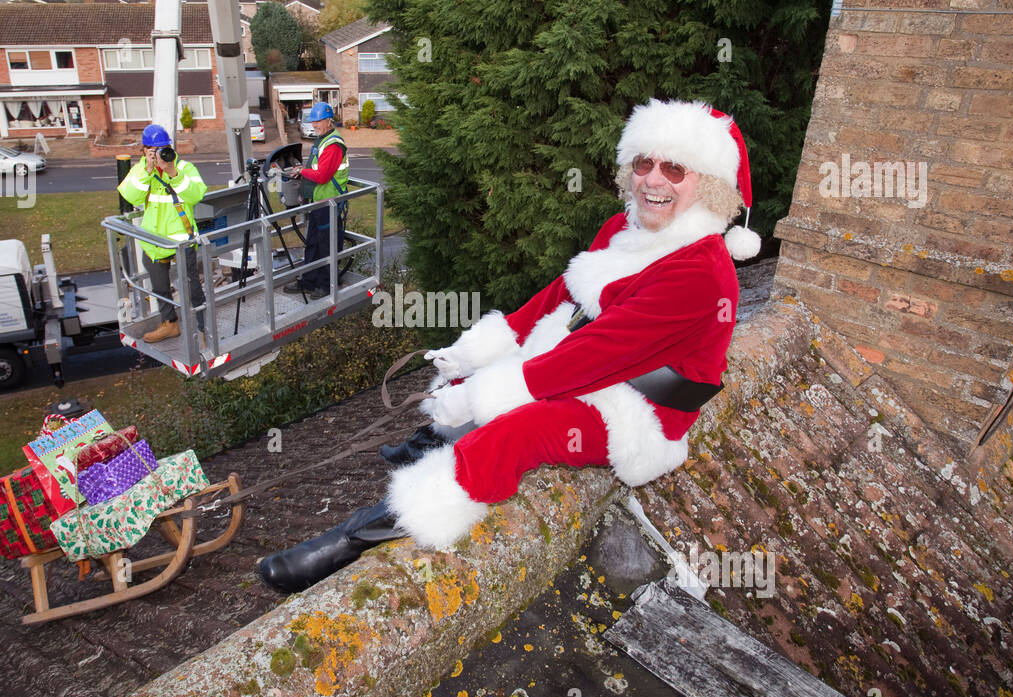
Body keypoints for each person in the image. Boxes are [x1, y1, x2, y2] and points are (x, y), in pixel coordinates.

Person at [258, 99, 763, 593]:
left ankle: (352, 539)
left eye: (675, 168)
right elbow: (560, 294)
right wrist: (476, 352)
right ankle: (435, 439)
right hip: (583, 360)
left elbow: (597, 356)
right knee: (466, 376)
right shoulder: (623, 226)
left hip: (636, 408)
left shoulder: (700, 273)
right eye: (643, 163)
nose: (653, 179)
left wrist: (483, 392)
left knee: (512, 434)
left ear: (710, 188)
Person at [118, 123, 209, 344]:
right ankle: (169, 324)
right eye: (154, 149)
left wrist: (173, 173)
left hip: (181, 240)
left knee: (191, 285)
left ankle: (204, 327)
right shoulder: (141, 171)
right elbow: (131, 196)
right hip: (153, 241)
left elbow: (196, 195)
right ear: (145, 150)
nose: (161, 153)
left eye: (164, 148)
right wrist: (147, 170)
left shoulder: (184, 168)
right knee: (159, 287)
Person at [284, 101, 350, 295]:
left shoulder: (333, 144)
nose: (314, 124)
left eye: (318, 121)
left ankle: (326, 284)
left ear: (328, 121)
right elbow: (316, 169)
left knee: (327, 245)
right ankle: (309, 280)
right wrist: (302, 172)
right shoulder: (322, 139)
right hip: (319, 201)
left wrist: (302, 171)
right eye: (313, 121)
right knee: (313, 242)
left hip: (329, 201)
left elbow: (322, 176)